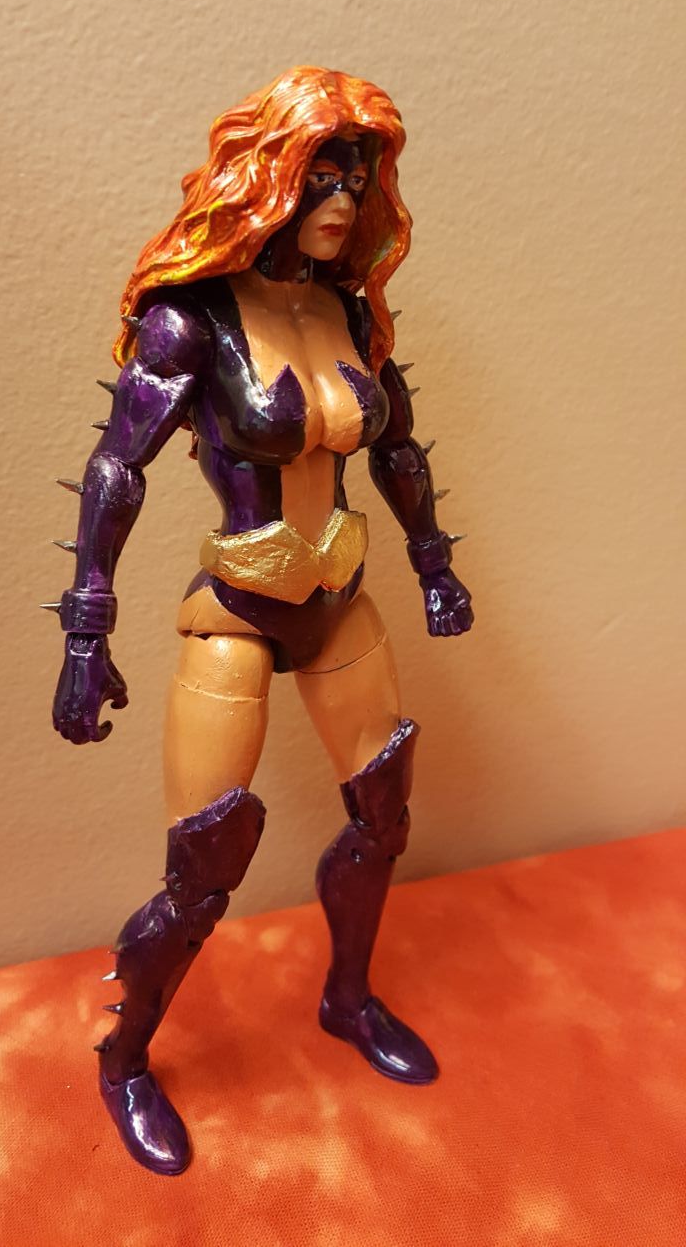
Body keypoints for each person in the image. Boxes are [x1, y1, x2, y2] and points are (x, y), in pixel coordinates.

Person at [48, 66, 474, 1175]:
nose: (343, 198)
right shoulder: (191, 322)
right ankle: (125, 1059)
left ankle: (347, 998)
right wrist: (85, 635)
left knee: (383, 818)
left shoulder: (348, 311)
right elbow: (118, 468)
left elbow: (395, 448)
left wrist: (433, 564)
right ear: (271, 178)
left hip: (339, 599)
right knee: (205, 866)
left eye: (358, 178)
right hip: (239, 608)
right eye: (322, 174)